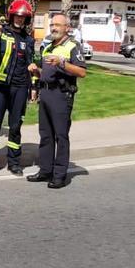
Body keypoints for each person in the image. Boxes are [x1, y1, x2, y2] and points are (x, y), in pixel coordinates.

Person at [27, 13, 87, 189]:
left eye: (58, 25)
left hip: (61, 95)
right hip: (45, 94)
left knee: (61, 136)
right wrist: (36, 72)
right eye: (52, 25)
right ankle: (45, 170)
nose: (54, 28)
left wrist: (61, 62)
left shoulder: (73, 46)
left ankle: (59, 175)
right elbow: (46, 71)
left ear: (67, 27)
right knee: (45, 135)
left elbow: (82, 72)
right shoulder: (47, 46)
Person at [0, 0, 36, 176]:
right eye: (16, 16)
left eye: (23, 17)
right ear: (10, 15)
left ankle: (14, 162)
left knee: (15, 126)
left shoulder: (28, 39)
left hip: (19, 87)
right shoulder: (2, 32)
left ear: (26, 20)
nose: (19, 20)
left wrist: (33, 76)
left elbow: (30, 61)